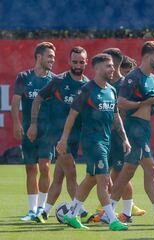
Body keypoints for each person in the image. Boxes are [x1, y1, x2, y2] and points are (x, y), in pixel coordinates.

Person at [110, 41, 154, 225]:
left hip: (143, 128)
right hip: (134, 129)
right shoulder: (133, 77)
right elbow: (121, 103)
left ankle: (108, 211)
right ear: (148, 56)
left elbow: (150, 103)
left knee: (135, 172)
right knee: (143, 170)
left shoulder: (152, 78)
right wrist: (143, 104)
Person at [56, 53, 131, 231]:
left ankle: (72, 215)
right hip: (92, 140)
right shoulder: (87, 90)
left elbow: (116, 116)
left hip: (106, 140)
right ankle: (112, 220)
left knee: (90, 179)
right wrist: (64, 139)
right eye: (108, 66)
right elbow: (72, 115)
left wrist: (125, 138)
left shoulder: (112, 90)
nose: (112, 69)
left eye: (113, 66)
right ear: (97, 69)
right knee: (104, 179)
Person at [28, 46, 90, 223]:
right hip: (59, 137)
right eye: (75, 61)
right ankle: (82, 211)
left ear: (86, 62)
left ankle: (44, 212)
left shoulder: (87, 84)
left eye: (81, 62)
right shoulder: (58, 81)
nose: (78, 65)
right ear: (69, 61)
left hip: (75, 137)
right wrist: (33, 123)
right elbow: (38, 98)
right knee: (72, 174)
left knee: (59, 177)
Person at [93, 48, 145, 224]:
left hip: (118, 138)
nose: (108, 67)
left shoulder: (123, 85)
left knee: (119, 176)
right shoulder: (103, 84)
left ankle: (126, 212)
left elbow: (121, 113)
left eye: (110, 64)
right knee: (102, 176)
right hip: (103, 137)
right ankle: (110, 209)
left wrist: (122, 135)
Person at [11, 42, 56, 221]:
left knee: (45, 167)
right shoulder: (23, 77)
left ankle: (41, 209)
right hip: (28, 131)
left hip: (47, 132)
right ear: (39, 56)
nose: (52, 60)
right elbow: (15, 102)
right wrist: (16, 123)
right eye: (49, 56)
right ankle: (31, 211)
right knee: (30, 168)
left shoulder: (54, 80)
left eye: (53, 57)